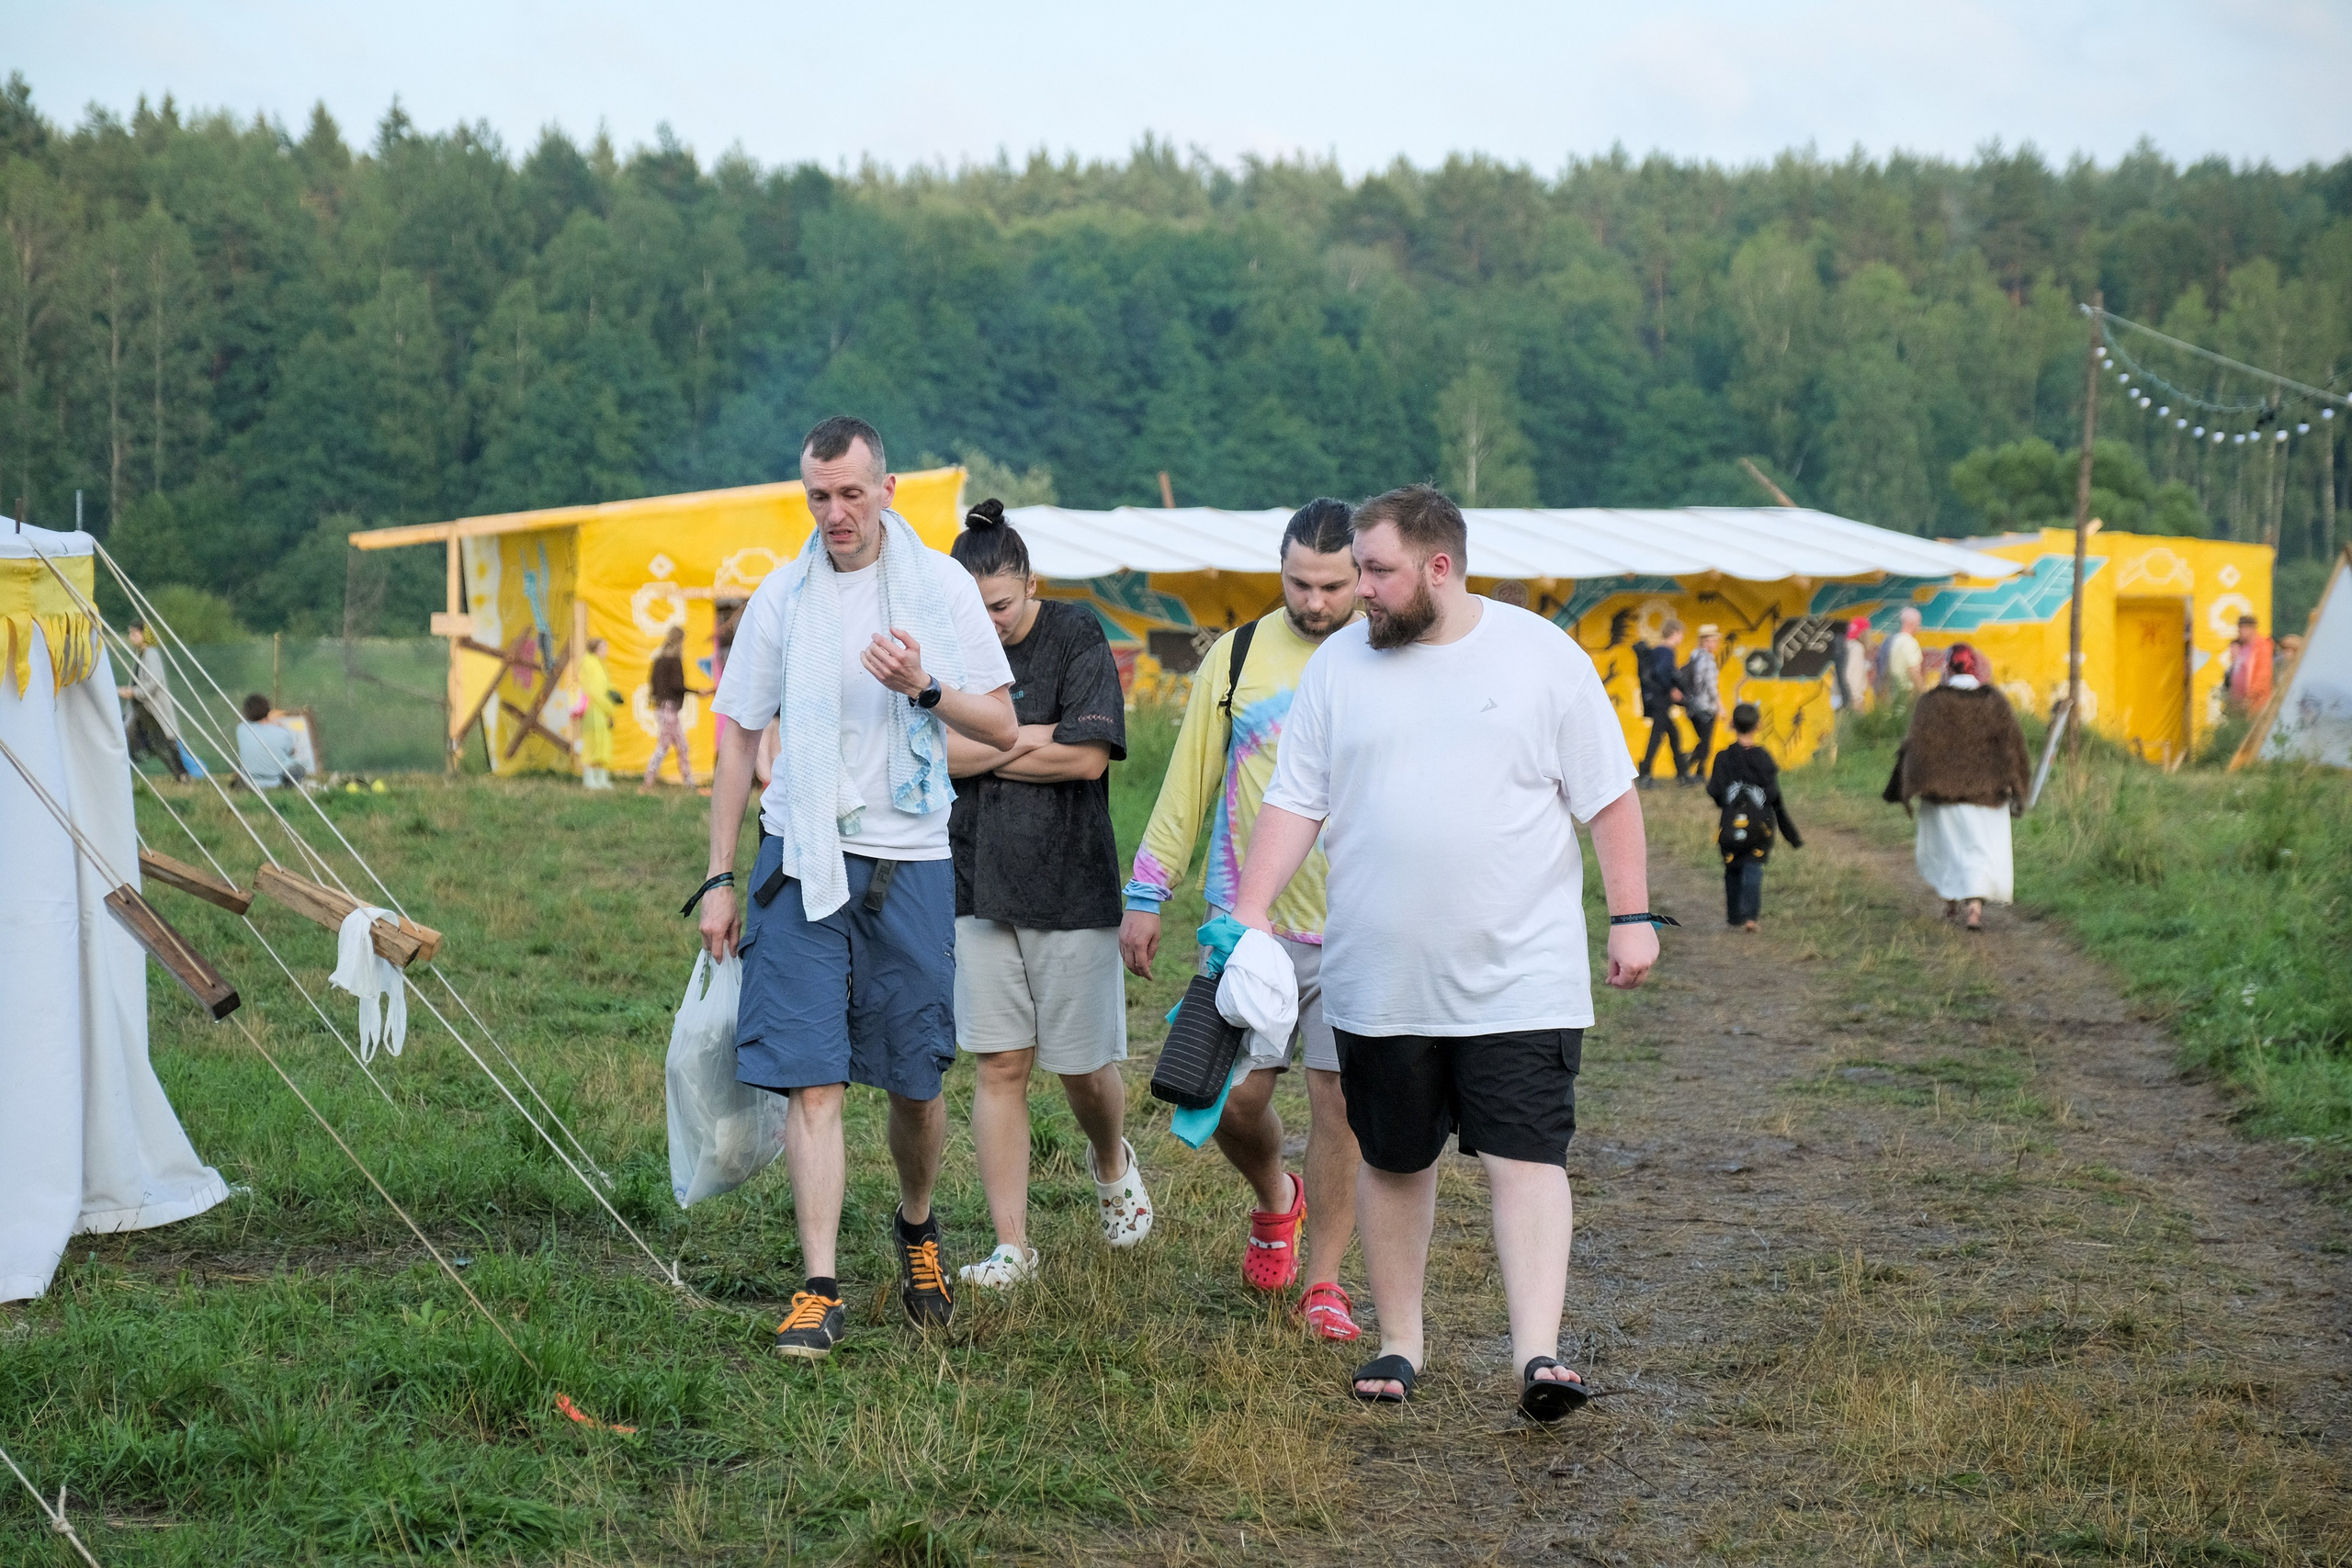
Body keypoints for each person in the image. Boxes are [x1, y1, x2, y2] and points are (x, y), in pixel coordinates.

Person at [1230, 484, 1658, 1421]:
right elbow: (1294, 800)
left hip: (1521, 978)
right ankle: (1400, 1343)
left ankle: (1538, 1355)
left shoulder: (1542, 657)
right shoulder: (1339, 667)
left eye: (1376, 572)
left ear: (1439, 566)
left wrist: (1632, 916)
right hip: (1378, 977)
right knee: (1392, 1160)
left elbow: (1609, 798)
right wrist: (1250, 912)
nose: (1359, 591)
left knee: (1526, 1158)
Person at [699, 415, 1016, 1360]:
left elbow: (998, 730)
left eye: (849, 493)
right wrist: (719, 877)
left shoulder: (941, 588)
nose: (834, 513)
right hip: (799, 859)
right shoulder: (783, 600)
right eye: (817, 496)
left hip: (909, 861)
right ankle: (819, 1284)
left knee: (914, 1083)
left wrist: (923, 687)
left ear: (886, 491)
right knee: (813, 1078)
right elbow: (736, 740)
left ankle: (917, 1226)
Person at [1121, 499, 1369, 1340]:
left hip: (1362, 928)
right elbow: (1188, 782)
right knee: (1227, 1099)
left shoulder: (1388, 656)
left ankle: (1327, 1284)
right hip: (1247, 926)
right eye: (1299, 582)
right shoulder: (1238, 658)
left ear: (1362, 575)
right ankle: (1277, 1199)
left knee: (1340, 1104)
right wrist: (1146, 893)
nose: (1315, 601)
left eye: (1333, 585)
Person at [942, 500, 1150, 1288]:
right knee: (999, 1063)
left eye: (999, 605)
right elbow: (939, 754)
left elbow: (1088, 759)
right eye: (974, 608)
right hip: (975, 877)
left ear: (1031, 583)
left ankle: (1110, 1158)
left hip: (1070, 878)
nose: (988, 623)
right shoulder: (952, 650)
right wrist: (1030, 738)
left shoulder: (1077, 632)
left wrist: (989, 743)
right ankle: (1012, 1246)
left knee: (1081, 1065)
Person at [1883, 643, 2030, 931]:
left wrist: (1908, 786)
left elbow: (1915, 748)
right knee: (1981, 851)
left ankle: (1951, 901)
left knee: (1947, 848)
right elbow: (2014, 748)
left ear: (1947, 667)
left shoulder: (1931, 702)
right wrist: (2018, 788)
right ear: (1976, 667)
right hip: (1988, 795)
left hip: (1941, 795)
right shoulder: (1994, 701)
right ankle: (1974, 908)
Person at [1705, 702, 1801, 931]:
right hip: (1761, 826)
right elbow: (1773, 795)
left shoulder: (1723, 758)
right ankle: (1750, 917)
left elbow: (1715, 791)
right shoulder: (1764, 758)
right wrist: (1792, 835)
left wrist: (1728, 803)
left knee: (1732, 869)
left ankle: (1734, 917)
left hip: (1729, 826)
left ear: (1731, 724)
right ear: (1758, 725)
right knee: (1753, 867)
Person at [116, 623, 187, 781]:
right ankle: (124, 775)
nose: (131, 637)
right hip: (140, 706)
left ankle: (182, 775)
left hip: (151, 707)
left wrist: (134, 692)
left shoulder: (150, 654)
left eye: (135, 633)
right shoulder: (141, 654)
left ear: (144, 634)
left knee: (162, 743)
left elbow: (153, 682)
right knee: (130, 738)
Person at [644, 625, 707, 788]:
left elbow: (653, 684)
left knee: (680, 745)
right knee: (666, 745)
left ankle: (687, 779)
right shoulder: (675, 661)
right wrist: (697, 691)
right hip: (670, 709)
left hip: (660, 707)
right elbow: (677, 685)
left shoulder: (658, 660)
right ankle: (650, 777)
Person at [1634, 620, 1687, 787]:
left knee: (1673, 734)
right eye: (1681, 634)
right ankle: (1645, 773)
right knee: (1657, 737)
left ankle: (1682, 773)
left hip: (1655, 699)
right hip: (1661, 700)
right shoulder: (1666, 651)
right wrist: (1671, 688)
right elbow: (1661, 671)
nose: (1682, 638)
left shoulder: (1657, 650)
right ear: (1675, 632)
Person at [575, 637, 622, 790]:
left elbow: (605, 686)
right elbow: (593, 690)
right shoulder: (589, 663)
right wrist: (608, 706)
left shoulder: (600, 664)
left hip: (602, 711)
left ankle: (601, 778)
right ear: (595, 649)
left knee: (603, 744)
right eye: (603, 648)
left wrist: (614, 695)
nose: (605, 651)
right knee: (593, 743)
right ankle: (590, 778)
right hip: (594, 710)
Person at [1679, 624, 1723, 782]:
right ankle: (1695, 770)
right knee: (1706, 741)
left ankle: (1691, 767)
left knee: (1703, 740)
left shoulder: (1694, 656)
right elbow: (1711, 687)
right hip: (1706, 707)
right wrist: (1721, 707)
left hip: (1692, 707)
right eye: (1714, 640)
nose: (1716, 643)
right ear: (1705, 641)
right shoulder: (1708, 660)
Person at [234, 694, 306, 788]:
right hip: (276, 781)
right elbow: (291, 752)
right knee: (298, 768)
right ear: (268, 710)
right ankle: (287, 789)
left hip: (249, 781)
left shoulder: (240, 729)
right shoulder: (282, 732)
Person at [2224, 614, 2274, 712]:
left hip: (2254, 702)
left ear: (2251, 629)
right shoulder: (2242, 646)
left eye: (2242, 628)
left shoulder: (2261, 647)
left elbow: (2263, 674)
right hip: (2238, 701)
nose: (2239, 632)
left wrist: (2251, 696)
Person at [1881, 606, 1925, 702]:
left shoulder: (1891, 641)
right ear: (1912, 623)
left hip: (1892, 693)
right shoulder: (1910, 643)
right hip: (1907, 693)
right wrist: (1923, 694)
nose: (1919, 626)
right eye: (1918, 622)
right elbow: (1914, 672)